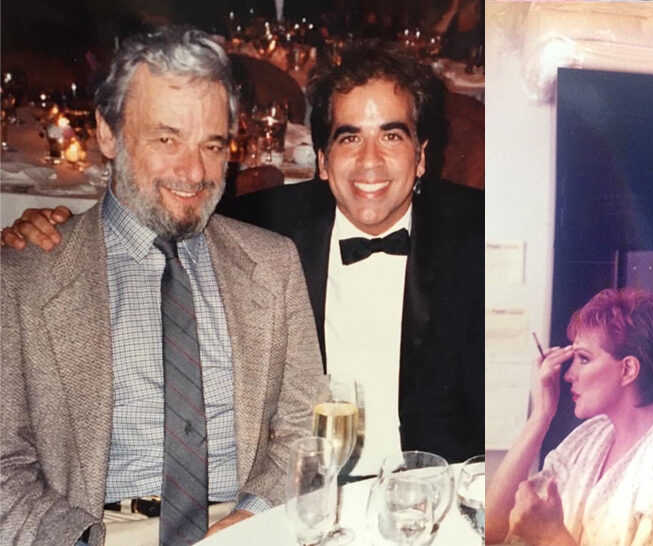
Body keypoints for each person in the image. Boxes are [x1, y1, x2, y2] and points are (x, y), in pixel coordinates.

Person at [3, 41, 485, 476]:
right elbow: (164, 203)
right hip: (309, 494)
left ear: (421, 157)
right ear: (320, 159)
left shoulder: (480, 238)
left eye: (392, 136)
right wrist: (48, 227)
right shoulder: (268, 228)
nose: (370, 162)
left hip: (430, 497)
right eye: (349, 137)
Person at [0, 26, 320, 546]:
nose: (193, 171)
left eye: (212, 145)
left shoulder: (273, 263)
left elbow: (305, 429)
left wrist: (254, 522)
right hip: (98, 531)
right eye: (166, 138)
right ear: (107, 133)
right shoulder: (24, 276)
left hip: (247, 526)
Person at [484, 289, 653, 546]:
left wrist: (550, 536)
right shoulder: (590, 435)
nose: (568, 374)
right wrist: (541, 415)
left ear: (627, 369)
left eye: (583, 359)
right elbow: (492, 528)